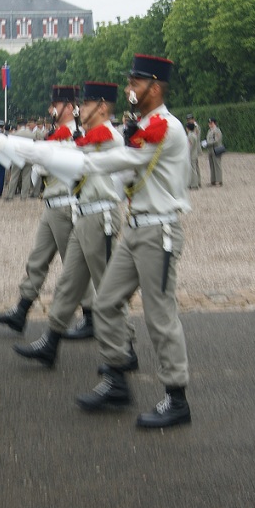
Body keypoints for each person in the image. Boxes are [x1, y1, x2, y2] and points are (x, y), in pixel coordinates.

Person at [17, 54, 193, 428]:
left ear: (155, 87)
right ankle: (116, 378)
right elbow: (127, 177)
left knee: (160, 317)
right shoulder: (142, 124)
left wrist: (52, 156)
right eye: (129, 82)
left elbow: (117, 163)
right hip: (136, 227)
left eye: (136, 83)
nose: (129, 89)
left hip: (158, 230)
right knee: (108, 301)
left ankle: (176, 397)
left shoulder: (165, 127)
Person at [13, 82, 134, 367]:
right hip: (84, 214)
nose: (81, 109)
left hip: (100, 216)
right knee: (68, 284)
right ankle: (51, 341)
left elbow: (72, 155)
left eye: (88, 104)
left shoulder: (105, 136)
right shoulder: (92, 135)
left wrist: (19, 148)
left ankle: (126, 347)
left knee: (107, 288)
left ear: (102, 107)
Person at [0, 86, 95, 339]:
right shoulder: (59, 132)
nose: (51, 110)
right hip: (51, 203)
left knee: (75, 265)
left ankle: (92, 315)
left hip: (64, 203)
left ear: (69, 107)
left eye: (56, 105)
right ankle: (21, 311)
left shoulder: (73, 133)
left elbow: (60, 164)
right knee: (37, 261)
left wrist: (41, 163)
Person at [186, 115, 201, 189]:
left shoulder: (195, 128)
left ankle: (196, 183)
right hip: (194, 151)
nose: (189, 120)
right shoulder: (191, 133)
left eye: (190, 119)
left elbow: (191, 144)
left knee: (194, 168)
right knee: (193, 168)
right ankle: (194, 182)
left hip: (193, 151)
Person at [206, 117, 223, 186]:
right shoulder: (209, 131)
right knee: (212, 165)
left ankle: (219, 180)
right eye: (209, 123)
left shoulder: (217, 130)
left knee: (217, 165)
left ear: (214, 123)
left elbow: (216, 140)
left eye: (211, 123)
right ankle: (213, 180)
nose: (210, 124)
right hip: (210, 150)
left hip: (216, 149)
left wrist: (208, 143)